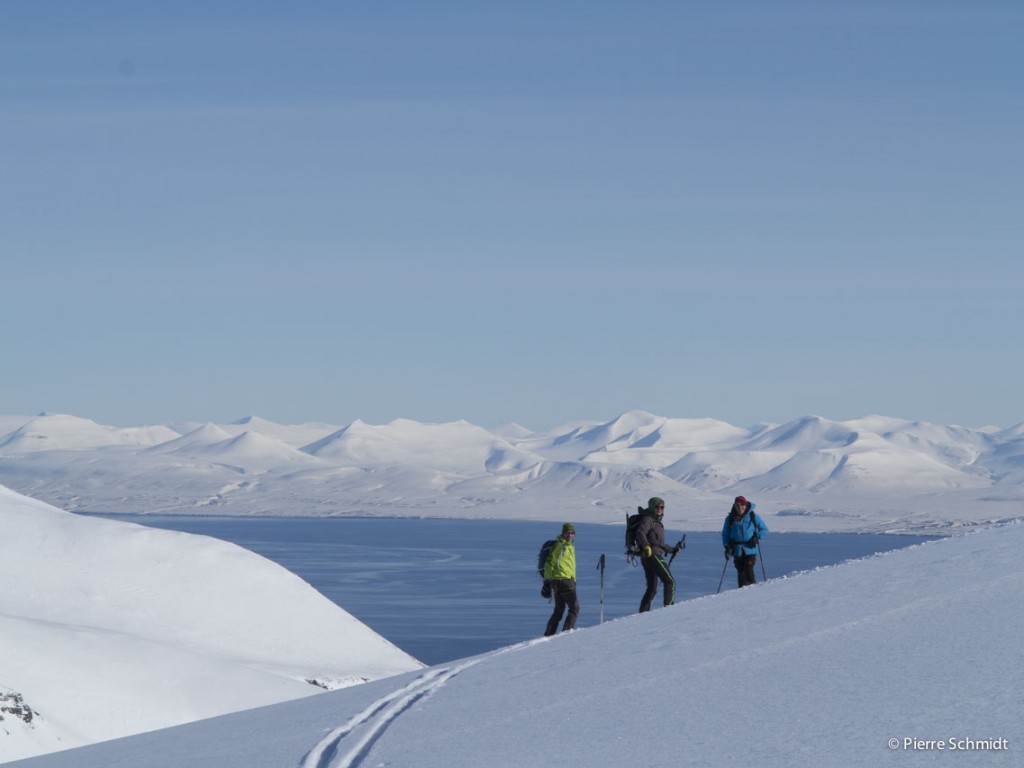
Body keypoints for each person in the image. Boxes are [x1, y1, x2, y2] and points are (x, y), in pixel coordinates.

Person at [635, 497, 682, 612]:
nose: (660, 509)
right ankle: (669, 611)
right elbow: (640, 532)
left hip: (649, 556)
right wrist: (646, 546)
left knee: (652, 589)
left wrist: (672, 550)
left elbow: (658, 543)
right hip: (653, 555)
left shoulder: (656, 521)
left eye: (662, 507)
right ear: (652, 507)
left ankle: (642, 615)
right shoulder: (648, 519)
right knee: (670, 582)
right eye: (657, 507)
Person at [722, 496, 769, 588]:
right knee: (741, 573)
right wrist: (727, 547)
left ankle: (753, 591)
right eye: (737, 505)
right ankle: (742, 593)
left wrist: (756, 537)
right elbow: (725, 534)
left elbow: (764, 529)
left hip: (750, 549)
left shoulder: (752, 516)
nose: (740, 507)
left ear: (746, 505)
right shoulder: (730, 519)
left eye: (742, 505)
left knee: (748, 570)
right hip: (737, 550)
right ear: (734, 506)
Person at [543, 522, 579, 636]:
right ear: (563, 533)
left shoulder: (570, 547)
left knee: (559, 610)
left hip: (562, 582)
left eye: (572, 533)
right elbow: (549, 563)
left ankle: (548, 635)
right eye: (567, 533)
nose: (570, 535)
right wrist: (547, 582)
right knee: (575, 608)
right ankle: (566, 634)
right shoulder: (559, 545)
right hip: (563, 581)